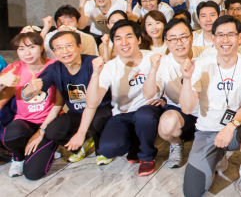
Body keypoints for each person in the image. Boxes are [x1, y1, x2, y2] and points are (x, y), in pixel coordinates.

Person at [180, 15, 241, 196]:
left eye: (230, 35)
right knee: (192, 192)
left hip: (236, 128)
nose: (225, 40)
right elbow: (186, 109)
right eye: (220, 35)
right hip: (207, 131)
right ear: (213, 38)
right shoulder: (200, 66)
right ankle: (217, 157)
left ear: (240, 37)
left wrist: (230, 127)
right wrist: (187, 79)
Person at [85, 20, 164, 176]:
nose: (124, 42)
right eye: (118, 38)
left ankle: (147, 155)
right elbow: (92, 102)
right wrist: (95, 74)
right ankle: (136, 145)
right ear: (113, 43)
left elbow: (159, 89)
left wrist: (164, 100)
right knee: (108, 149)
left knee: (144, 116)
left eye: (129, 37)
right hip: (122, 114)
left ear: (139, 39)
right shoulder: (110, 67)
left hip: (148, 108)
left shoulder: (153, 58)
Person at [23, 31, 114, 165]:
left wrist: (81, 132)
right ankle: (80, 146)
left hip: (100, 109)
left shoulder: (92, 63)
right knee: (52, 131)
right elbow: (31, 93)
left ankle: (102, 148)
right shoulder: (55, 69)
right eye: (58, 48)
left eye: (69, 45)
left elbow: (93, 104)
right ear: (54, 52)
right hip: (77, 113)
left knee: (98, 121)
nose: (64, 51)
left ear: (79, 46)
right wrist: (30, 89)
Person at [142, 18, 214, 170]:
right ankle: (176, 145)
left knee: (215, 165)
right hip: (182, 114)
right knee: (167, 125)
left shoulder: (209, 54)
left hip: (209, 112)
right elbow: (148, 94)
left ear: (191, 38)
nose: (179, 43)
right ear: (166, 42)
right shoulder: (163, 63)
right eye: (173, 39)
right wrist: (153, 69)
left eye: (183, 37)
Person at [0, 32, 59, 179]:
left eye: (31, 47)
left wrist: (43, 129)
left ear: (41, 47)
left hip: (48, 123)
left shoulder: (54, 65)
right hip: (24, 121)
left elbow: (60, 101)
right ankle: (18, 156)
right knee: (11, 134)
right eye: (21, 49)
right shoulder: (14, 69)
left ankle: (46, 147)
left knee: (33, 174)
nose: (27, 53)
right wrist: (1, 82)